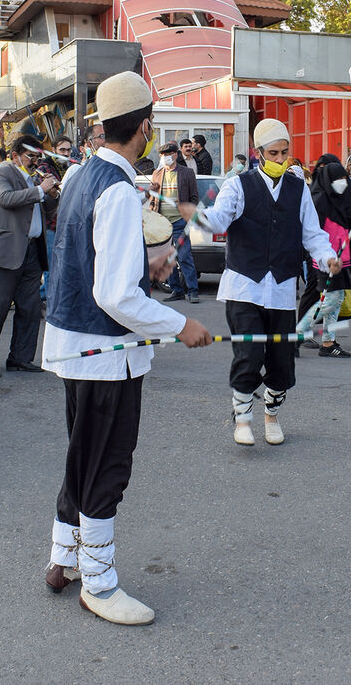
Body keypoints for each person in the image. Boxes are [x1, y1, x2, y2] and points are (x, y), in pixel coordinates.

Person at [41, 70, 211, 626]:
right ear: (143, 127)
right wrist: (178, 322)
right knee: (105, 465)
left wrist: (148, 268)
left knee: (81, 455)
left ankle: (64, 557)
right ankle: (100, 582)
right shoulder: (115, 189)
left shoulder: (79, 177)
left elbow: (93, 265)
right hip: (105, 353)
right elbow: (112, 293)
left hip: (76, 344)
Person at [196, 119, 341, 447]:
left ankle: (271, 416)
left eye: (284, 153)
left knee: (281, 360)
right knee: (248, 353)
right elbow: (218, 219)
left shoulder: (298, 187)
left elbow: (312, 233)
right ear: (258, 153)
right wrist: (201, 217)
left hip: (281, 288)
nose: (279, 159)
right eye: (273, 153)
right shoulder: (237, 185)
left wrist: (327, 256)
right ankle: (243, 418)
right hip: (243, 286)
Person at [0, 137, 53, 377]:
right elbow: (6, 199)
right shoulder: (2, 172)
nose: (35, 161)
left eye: (38, 157)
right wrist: (40, 190)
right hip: (6, 250)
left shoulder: (33, 178)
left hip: (32, 250)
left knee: (30, 308)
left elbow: (45, 208)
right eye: (31, 157)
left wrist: (52, 194)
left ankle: (20, 357)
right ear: (15, 155)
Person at [297, 157, 351, 358]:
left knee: (337, 298)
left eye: (344, 177)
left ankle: (328, 343)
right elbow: (312, 233)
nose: (342, 181)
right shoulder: (319, 201)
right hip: (325, 259)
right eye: (337, 178)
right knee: (330, 300)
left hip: (343, 257)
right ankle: (298, 334)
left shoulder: (344, 197)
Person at [148, 143, 200, 304]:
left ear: (175, 155)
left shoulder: (187, 173)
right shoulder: (157, 173)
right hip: (162, 224)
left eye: (168, 154)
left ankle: (193, 291)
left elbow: (194, 197)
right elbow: (152, 199)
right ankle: (176, 290)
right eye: (163, 155)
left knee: (184, 257)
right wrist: (152, 193)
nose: (165, 158)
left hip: (179, 222)